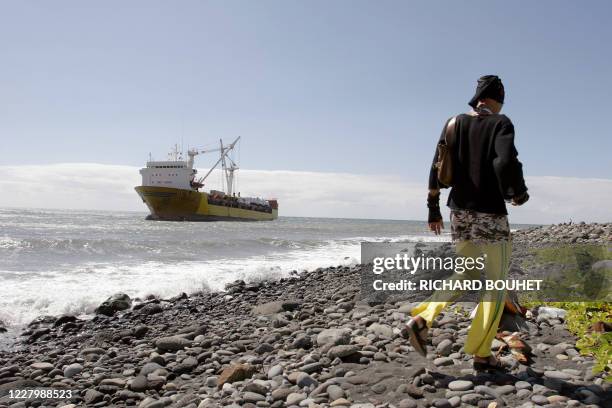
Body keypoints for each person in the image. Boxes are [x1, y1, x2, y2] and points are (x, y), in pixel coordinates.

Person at [402, 75, 529, 371]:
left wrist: (433, 209)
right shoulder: (501, 123)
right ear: (495, 97)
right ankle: (482, 354)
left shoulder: (454, 122)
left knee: (466, 273)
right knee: (496, 285)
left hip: (458, 212)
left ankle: (421, 319)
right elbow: (504, 161)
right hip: (490, 214)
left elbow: (436, 166)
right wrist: (517, 192)